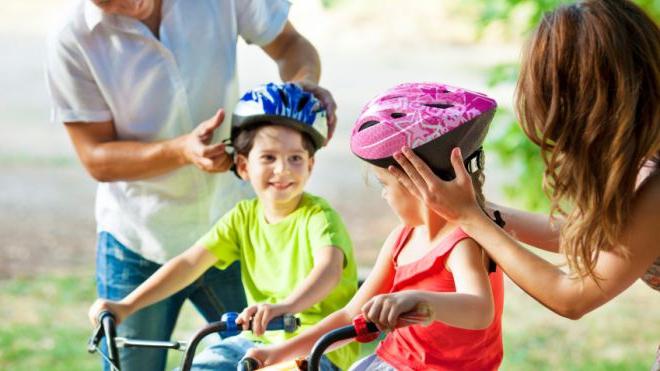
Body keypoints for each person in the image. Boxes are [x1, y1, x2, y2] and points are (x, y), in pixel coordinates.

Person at [45, 0, 337, 369]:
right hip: (139, 237)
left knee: (270, 358)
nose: (128, 2)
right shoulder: (73, 36)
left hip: (234, 226)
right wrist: (181, 151)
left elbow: (291, 45)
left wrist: (301, 92)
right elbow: (95, 157)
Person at [386, 0, 660, 366]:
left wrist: (472, 220)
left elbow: (572, 296)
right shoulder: (646, 154)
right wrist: (476, 209)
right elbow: (591, 235)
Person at [89, 82, 359, 371]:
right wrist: (125, 306)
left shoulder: (318, 217)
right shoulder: (243, 216)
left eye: (295, 158)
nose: (282, 170)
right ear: (243, 166)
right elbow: (189, 262)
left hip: (316, 348)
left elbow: (327, 271)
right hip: (257, 343)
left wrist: (285, 307)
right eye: (268, 158)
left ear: (310, 165)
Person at [245, 83, 505, 370]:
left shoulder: (461, 241)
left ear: (416, 182)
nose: (383, 194)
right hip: (389, 361)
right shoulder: (402, 239)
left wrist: (420, 300)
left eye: (385, 184)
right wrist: (277, 353)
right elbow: (349, 317)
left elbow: (480, 309)